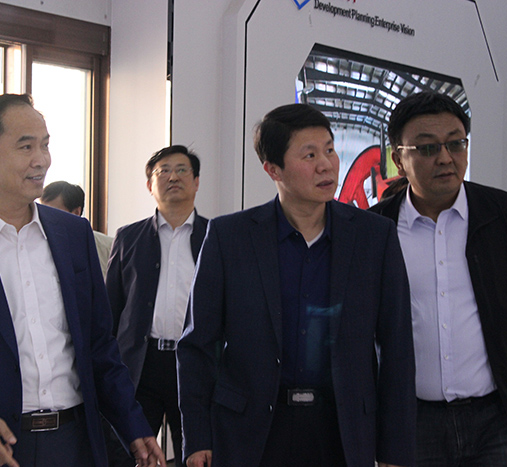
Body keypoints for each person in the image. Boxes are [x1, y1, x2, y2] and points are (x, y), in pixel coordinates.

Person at [0, 93, 166, 467]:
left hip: (74, 442)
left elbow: (99, 344)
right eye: (26, 146)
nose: (41, 160)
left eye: (45, 145)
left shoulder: (73, 234)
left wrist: (133, 424)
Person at [177, 103, 415, 467]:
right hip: (251, 432)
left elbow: (397, 346)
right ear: (273, 169)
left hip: (342, 431)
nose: (326, 164)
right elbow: (197, 345)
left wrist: (394, 451)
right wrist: (196, 439)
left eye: (329, 150)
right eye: (309, 155)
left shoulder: (373, 236)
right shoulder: (230, 237)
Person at [370, 91, 507, 466]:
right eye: (428, 148)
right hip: (414, 421)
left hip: (500, 420)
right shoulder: (376, 228)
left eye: (456, 143)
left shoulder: (505, 214)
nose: (446, 158)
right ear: (398, 159)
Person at [106, 145, 208, 466]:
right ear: (150, 185)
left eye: (181, 170)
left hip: (195, 365)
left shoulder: (216, 237)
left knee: (196, 454)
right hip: (141, 365)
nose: (173, 177)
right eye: (163, 171)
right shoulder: (128, 237)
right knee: (127, 454)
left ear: (196, 182)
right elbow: (111, 309)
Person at [40, 180, 114, 276]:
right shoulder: (35, 245)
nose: (44, 218)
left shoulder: (108, 247)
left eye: (52, 213)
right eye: (41, 212)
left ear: (76, 213)